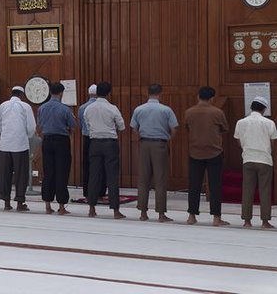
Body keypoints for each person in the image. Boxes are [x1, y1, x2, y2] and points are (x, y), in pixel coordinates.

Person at [130, 83, 178, 222]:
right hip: (160, 144)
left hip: (144, 144)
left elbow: (134, 128)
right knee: (160, 179)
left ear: (147, 93)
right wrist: (167, 139)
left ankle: (143, 213)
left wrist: (140, 138)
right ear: (160, 93)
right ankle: (161, 214)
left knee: (143, 179)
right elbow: (174, 128)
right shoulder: (166, 110)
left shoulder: (139, 109)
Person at [184, 86, 229, 227]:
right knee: (215, 186)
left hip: (195, 152)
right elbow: (225, 129)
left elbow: (187, 128)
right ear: (212, 98)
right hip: (214, 153)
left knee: (194, 185)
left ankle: (191, 216)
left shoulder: (189, 112)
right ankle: (216, 218)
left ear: (198, 96)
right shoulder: (217, 112)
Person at [233, 98, 277, 229]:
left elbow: (238, 141)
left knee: (247, 190)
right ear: (264, 109)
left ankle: (247, 221)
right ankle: (265, 222)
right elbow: (273, 143)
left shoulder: (241, 122)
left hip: (248, 158)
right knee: (265, 191)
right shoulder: (269, 123)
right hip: (264, 159)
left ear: (251, 108)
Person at [85, 81, 126, 219]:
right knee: (112, 177)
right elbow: (121, 126)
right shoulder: (112, 108)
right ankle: (115, 210)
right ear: (109, 93)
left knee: (94, 176)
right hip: (109, 143)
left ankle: (91, 208)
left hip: (94, 143)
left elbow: (87, 124)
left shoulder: (88, 109)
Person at [37, 81, 76, 214]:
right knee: (62, 172)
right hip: (61, 141)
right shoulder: (65, 109)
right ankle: (61, 206)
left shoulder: (42, 108)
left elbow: (40, 125)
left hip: (47, 140)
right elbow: (72, 125)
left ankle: (47, 205)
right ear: (61, 93)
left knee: (48, 172)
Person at [0, 84, 36, 211]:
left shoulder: (2, 106)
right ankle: (20, 203)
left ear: (12, 93)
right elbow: (31, 127)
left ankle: (6, 203)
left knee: (5, 174)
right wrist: (26, 136)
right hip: (20, 145)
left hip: (4, 145)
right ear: (22, 95)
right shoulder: (25, 106)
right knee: (21, 175)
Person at [78, 82, 98, 200]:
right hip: (99, 139)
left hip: (86, 139)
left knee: (87, 165)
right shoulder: (105, 106)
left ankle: (86, 191)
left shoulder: (82, 108)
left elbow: (81, 124)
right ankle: (99, 191)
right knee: (99, 166)